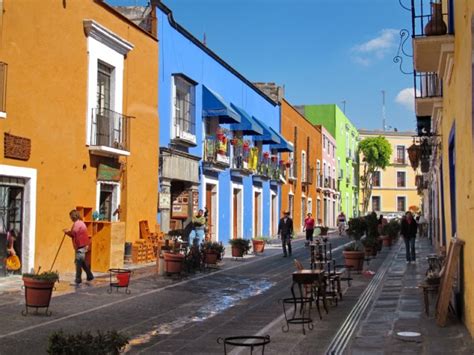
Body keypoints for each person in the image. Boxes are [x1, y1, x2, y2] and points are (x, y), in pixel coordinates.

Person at [63, 209, 94, 286]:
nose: (70, 218)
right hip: (83, 245)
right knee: (82, 262)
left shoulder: (77, 224)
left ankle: (78, 280)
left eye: (70, 217)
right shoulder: (81, 223)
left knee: (78, 263)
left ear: (73, 216)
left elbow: (73, 234)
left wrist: (67, 232)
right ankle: (90, 276)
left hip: (81, 246)